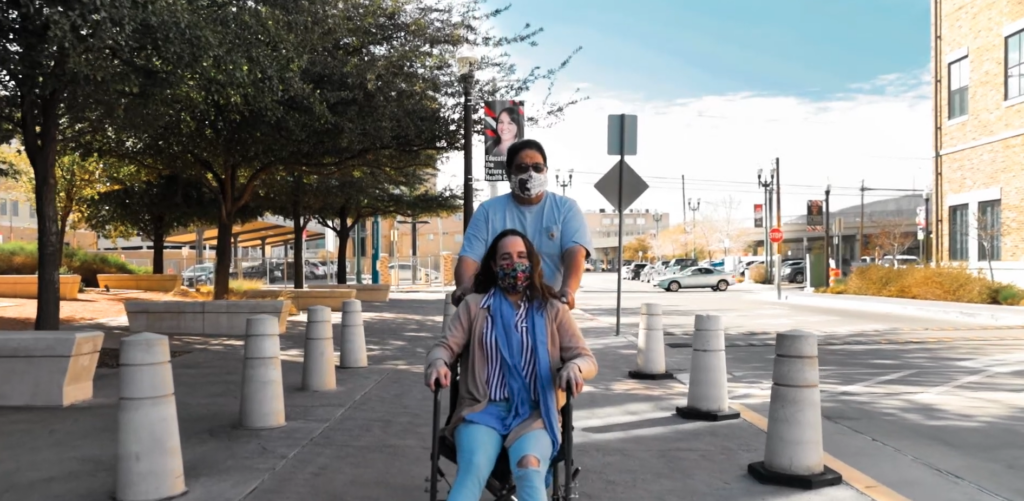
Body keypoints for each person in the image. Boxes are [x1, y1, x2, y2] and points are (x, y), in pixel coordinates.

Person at [425, 229, 598, 501]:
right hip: (482, 410)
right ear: (494, 266)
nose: (514, 264)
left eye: (521, 257)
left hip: (535, 413)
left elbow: (585, 358)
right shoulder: (473, 307)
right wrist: (438, 362)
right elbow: (444, 347)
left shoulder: (552, 308)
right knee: (473, 469)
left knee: (529, 469)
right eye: (505, 258)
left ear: (531, 262)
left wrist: (573, 367)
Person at [454, 139, 593, 310]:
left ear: (546, 171)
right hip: (494, 309)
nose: (530, 174)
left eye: (537, 167)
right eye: (522, 167)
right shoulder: (488, 211)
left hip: (549, 307)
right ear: (508, 173)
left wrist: (568, 290)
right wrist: (465, 288)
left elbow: (575, 253)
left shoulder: (566, 208)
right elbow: (469, 257)